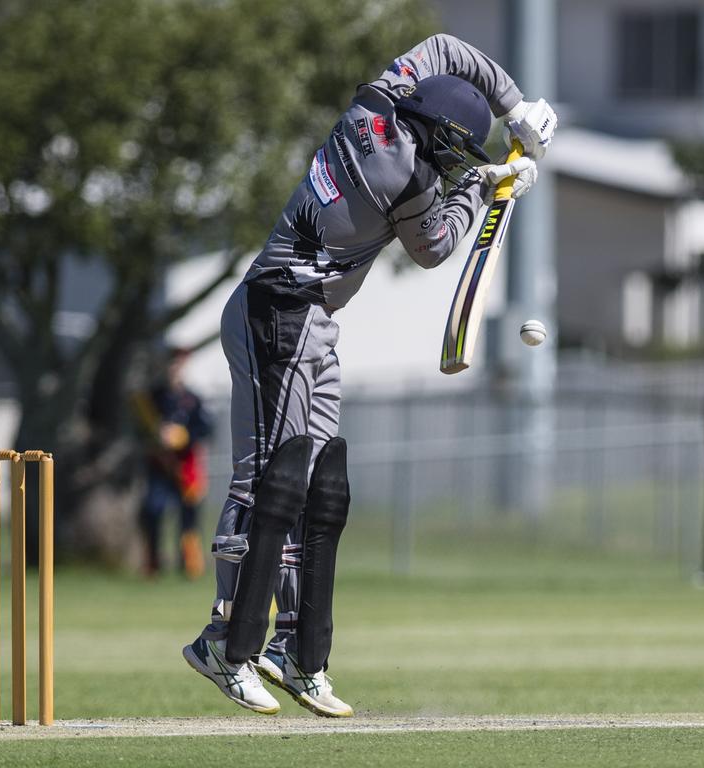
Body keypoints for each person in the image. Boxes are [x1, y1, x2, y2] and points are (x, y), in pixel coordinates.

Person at [181, 34, 557, 717]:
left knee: (318, 481)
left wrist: (513, 106)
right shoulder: (399, 174)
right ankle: (223, 641)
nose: (452, 164)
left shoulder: (378, 98)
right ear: (435, 137)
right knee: (268, 477)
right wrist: (485, 183)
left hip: (311, 317)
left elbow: (447, 47)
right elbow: (434, 247)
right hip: (281, 309)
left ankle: (295, 650)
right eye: (452, 151)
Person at [132, 348, 214, 579]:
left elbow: (205, 429)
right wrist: (156, 437)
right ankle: (153, 564)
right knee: (153, 510)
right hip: (159, 465)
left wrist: (183, 435)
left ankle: (189, 565)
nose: (173, 369)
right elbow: (139, 430)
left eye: (178, 364)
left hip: (185, 467)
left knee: (188, 516)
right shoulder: (153, 398)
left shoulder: (192, 399)